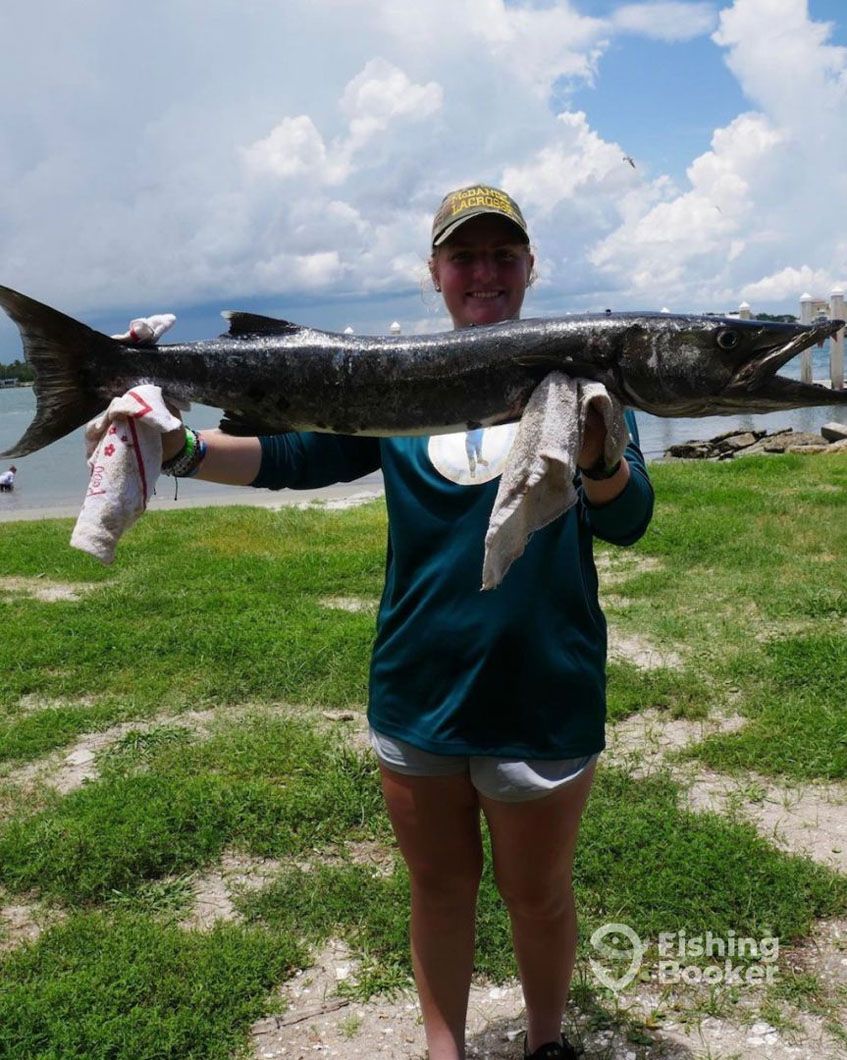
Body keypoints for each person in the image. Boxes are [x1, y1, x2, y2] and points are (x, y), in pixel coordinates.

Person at [156, 183, 654, 1060]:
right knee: (439, 891)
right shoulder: (398, 386)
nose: (484, 272)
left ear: (530, 267)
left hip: (543, 691)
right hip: (419, 687)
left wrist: (597, 456)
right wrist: (176, 447)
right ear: (434, 273)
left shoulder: (582, 381)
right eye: (464, 256)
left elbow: (628, 517)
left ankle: (546, 1043)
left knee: (538, 895)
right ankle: (442, 1050)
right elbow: (291, 457)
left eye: (503, 255)